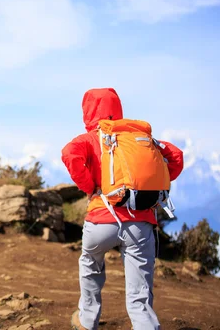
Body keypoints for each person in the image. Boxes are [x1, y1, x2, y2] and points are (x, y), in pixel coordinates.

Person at [62, 88, 184, 330]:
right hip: (139, 224)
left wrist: (90, 187)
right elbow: (176, 155)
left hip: (100, 221)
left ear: (87, 112)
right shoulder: (137, 137)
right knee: (139, 295)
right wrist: (159, 181)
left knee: (90, 262)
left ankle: (86, 320)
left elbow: (69, 154)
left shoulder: (90, 139)